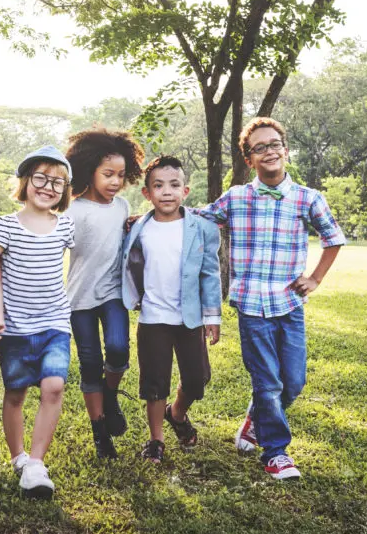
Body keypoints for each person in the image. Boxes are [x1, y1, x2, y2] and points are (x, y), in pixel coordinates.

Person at [197, 117, 345, 480]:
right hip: (251, 305)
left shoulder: (308, 198)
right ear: (249, 159)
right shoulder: (236, 197)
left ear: (286, 150)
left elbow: (333, 238)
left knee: (292, 382)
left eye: (274, 144)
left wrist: (315, 278)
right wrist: (150, 215)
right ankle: (276, 452)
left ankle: (255, 418)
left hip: (289, 305)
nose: (269, 151)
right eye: (259, 147)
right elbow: (196, 218)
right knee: (268, 381)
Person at [0, 145, 75, 499]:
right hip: (15, 327)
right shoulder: (6, 226)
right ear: (25, 182)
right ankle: (18, 457)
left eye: (58, 183)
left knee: (54, 386)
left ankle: (36, 463)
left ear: (65, 191)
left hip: (55, 323)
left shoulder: (65, 226)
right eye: (41, 179)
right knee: (16, 393)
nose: (48, 187)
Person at [121, 156, 222, 463]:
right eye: (158, 186)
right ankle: (155, 440)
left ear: (185, 191)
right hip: (153, 317)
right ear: (147, 193)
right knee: (155, 381)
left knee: (196, 378)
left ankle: (176, 414)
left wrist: (213, 316)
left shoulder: (201, 227)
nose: (167, 192)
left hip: (188, 317)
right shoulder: (137, 227)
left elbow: (210, 272)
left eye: (174, 185)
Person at [64, 127, 145, 459]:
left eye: (121, 175)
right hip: (79, 299)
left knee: (117, 350)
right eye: (107, 174)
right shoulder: (73, 210)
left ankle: (110, 396)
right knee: (89, 363)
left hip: (113, 293)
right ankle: (100, 433)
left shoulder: (122, 206)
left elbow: (126, 236)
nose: (115, 182)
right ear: (90, 171)